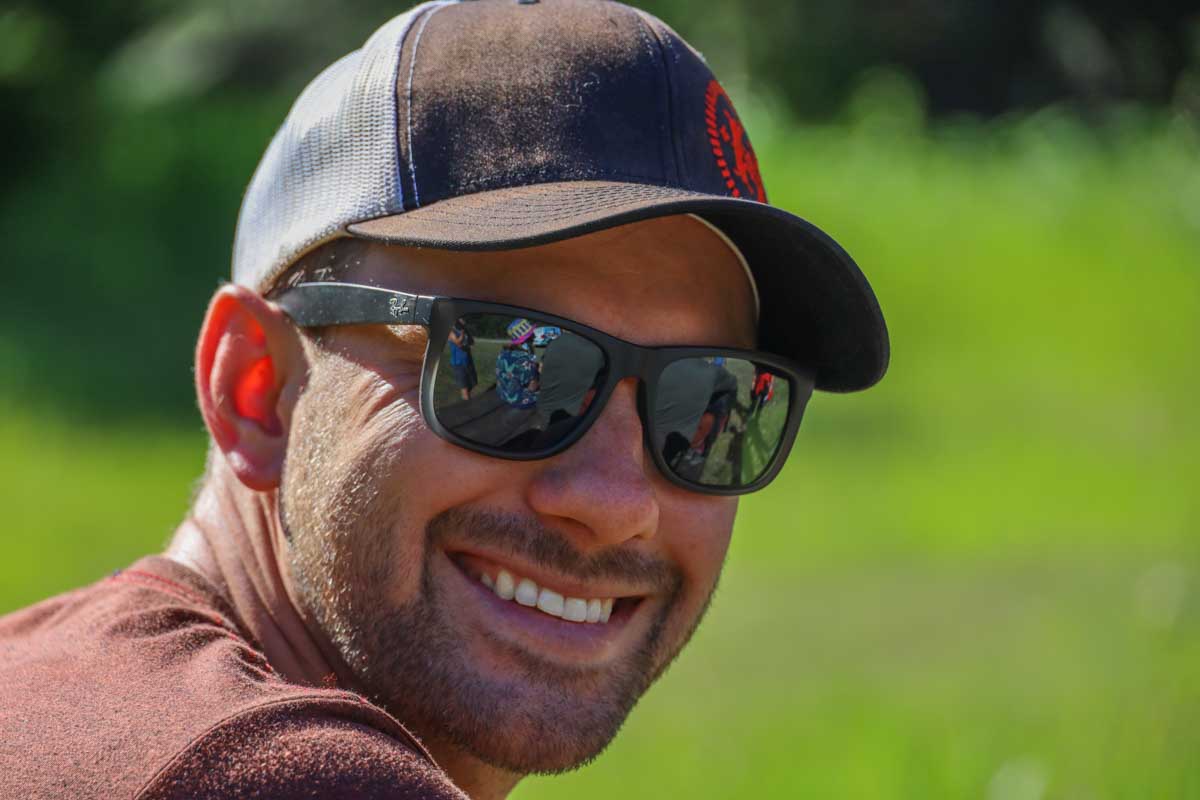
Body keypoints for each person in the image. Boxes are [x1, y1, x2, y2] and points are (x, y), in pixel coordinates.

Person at [0, 1, 889, 798]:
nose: (617, 504)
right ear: (256, 389)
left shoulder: (40, 682)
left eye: (709, 403)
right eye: (515, 367)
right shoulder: (278, 776)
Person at [494, 318, 540, 409]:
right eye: (532, 335)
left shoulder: (502, 353)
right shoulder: (524, 359)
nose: (535, 336)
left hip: (503, 395)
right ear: (527, 339)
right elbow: (532, 387)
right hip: (519, 401)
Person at [448, 317, 477, 401]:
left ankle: (468, 402)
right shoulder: (451, 331)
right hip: (458, 363)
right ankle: (467, 405)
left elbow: (472, 342)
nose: (464, 319)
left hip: (468, 361)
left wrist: (466, 331)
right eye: (462, 318)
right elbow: (458, 342)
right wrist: (463, 333)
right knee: (464, 388)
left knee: (471, 385)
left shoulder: (464, 330)